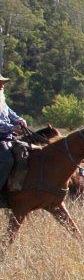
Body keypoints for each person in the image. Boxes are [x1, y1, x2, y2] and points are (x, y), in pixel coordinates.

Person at [0, 72, 31, 207]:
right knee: (7, 159)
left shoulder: (1, 98)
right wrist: (12, 128)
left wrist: (19, 119)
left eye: (3, 83)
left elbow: (10, 112)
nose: (3, 85)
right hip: (2, 136)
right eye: (0, 83)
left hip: (7, 136)